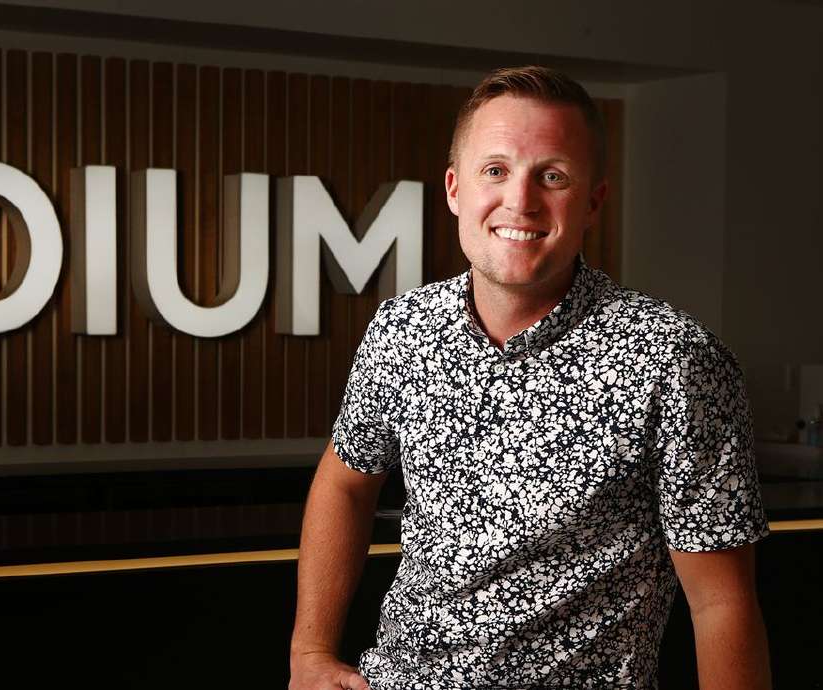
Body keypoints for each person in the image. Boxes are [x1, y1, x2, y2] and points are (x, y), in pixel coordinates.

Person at [288, 66, 772, 690]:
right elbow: (345, 483)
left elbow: (721, 603)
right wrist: (310, 652)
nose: (520, 200)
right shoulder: (403, 327)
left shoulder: (678, 359)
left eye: (553, 176)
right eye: (495, 170)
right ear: (455, 189)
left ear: (592, 201)